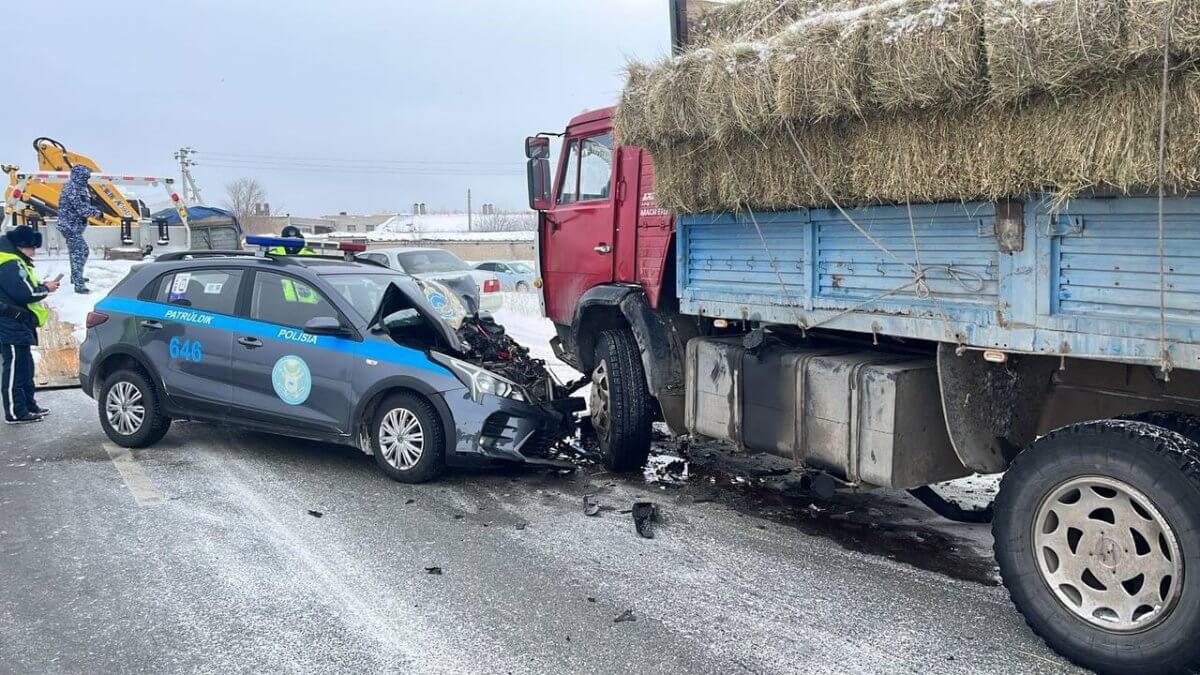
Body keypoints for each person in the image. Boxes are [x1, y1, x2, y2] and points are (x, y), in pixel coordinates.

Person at [0, 226, 60, 424]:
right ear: (23, 246)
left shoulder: (13, 261)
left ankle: (28, 405)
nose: (34, 252)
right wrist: (46, 289)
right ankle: (15, 411)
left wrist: (40, 286)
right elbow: (24, 293)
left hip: (18, 322)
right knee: (15, 368)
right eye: (33, 248)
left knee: (25, 367)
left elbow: (24, 287)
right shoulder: (10, 263)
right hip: (10, 323)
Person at [56, 165, 100, 294]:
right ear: (79, 176)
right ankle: (79, 285)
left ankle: (75, 277)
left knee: (76, 252)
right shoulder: (73, 188)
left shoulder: (79, 187)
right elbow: (81, 209)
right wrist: (98, 212)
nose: (87, 180)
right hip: (70, 227)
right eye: (85, 177)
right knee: (81, 251)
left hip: (74, 226)